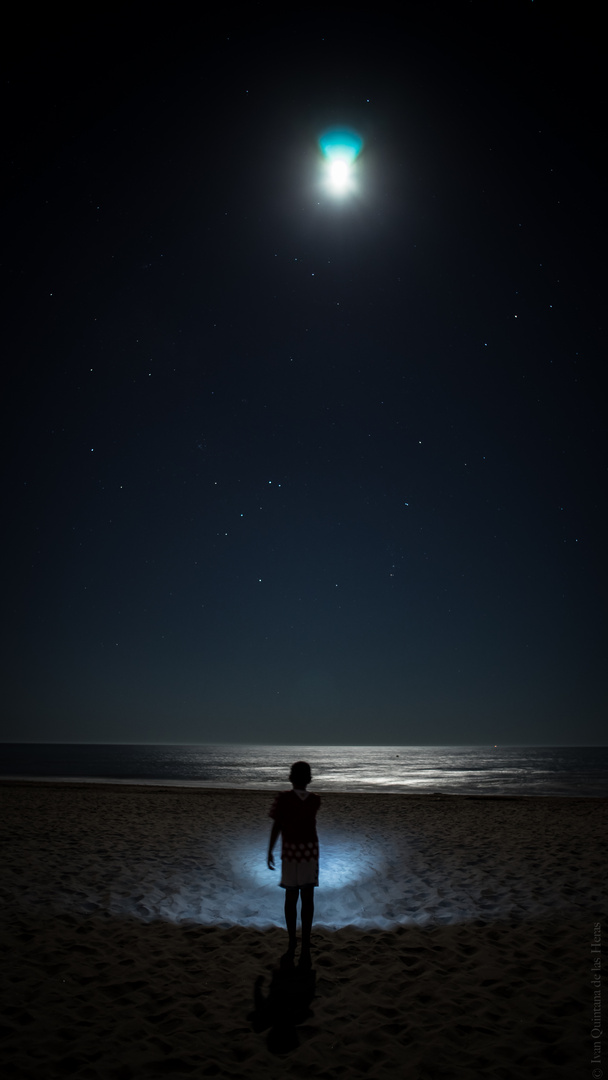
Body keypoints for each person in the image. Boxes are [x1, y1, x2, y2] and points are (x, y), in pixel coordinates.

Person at [267, 760, 320, 968]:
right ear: (309, 779)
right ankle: (305, 944)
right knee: (308, 899)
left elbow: (277, 825)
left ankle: (292, 942)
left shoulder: (283, 798)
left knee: (291, 898)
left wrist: (269, 850)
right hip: (310, 854)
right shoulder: (315, 800)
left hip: (290, 854)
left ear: (290, 777)